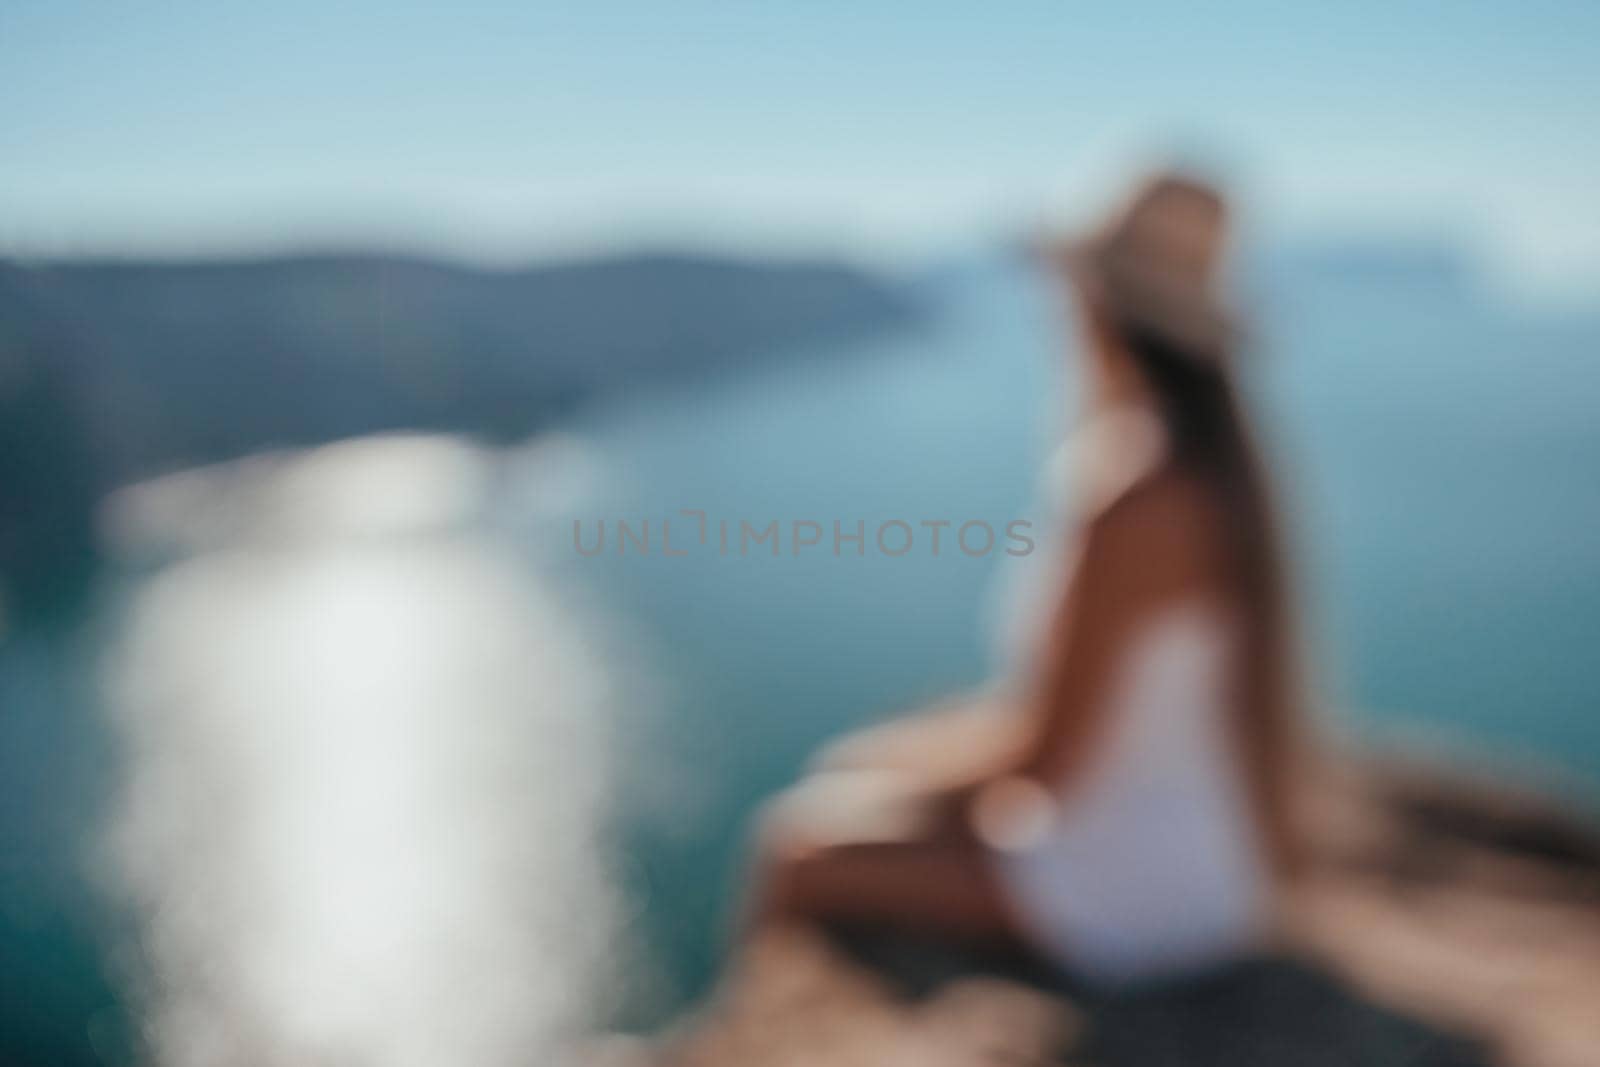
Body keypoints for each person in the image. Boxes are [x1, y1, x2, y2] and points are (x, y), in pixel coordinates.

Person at [743, 173, 1309, 984]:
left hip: (1132, 887)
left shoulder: (1138, 497)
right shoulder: (1215, 479)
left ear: (1096, 306)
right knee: (850, 794)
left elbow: (1047, 764)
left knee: (793, 847)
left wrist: (892, 773)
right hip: (1202, 867)